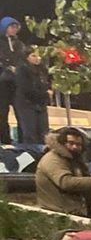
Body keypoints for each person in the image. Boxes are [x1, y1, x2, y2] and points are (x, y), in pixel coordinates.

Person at [35, 126, 91, 219]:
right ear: (62, 143)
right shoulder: (53, 159)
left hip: (73, 206)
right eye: (71, 143)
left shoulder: (73, 159)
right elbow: (65, 182)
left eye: (78, 144)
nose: (75, 147)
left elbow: (81, 177)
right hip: (60, 209)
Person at [14, 48, 49, 145]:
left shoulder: (43, 69)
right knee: (30, 134)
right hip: (26, 104)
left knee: (44, 133)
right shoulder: (21, 69)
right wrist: (45, 94)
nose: (37, 58)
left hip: (41, 104)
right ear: (27, 57)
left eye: (38, 56)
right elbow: (26, 88)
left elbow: (47, 84)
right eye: (33, 56)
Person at [0, 17, 26, 145]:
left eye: (16, 27)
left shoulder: (20, 44)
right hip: (2, 83)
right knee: (2, 113)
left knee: (21, 113)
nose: (14, 29)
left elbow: (23, 59)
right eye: (11, 27)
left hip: (17, 83)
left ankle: (24, 140)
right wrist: (6, 67)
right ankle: (5, 140)